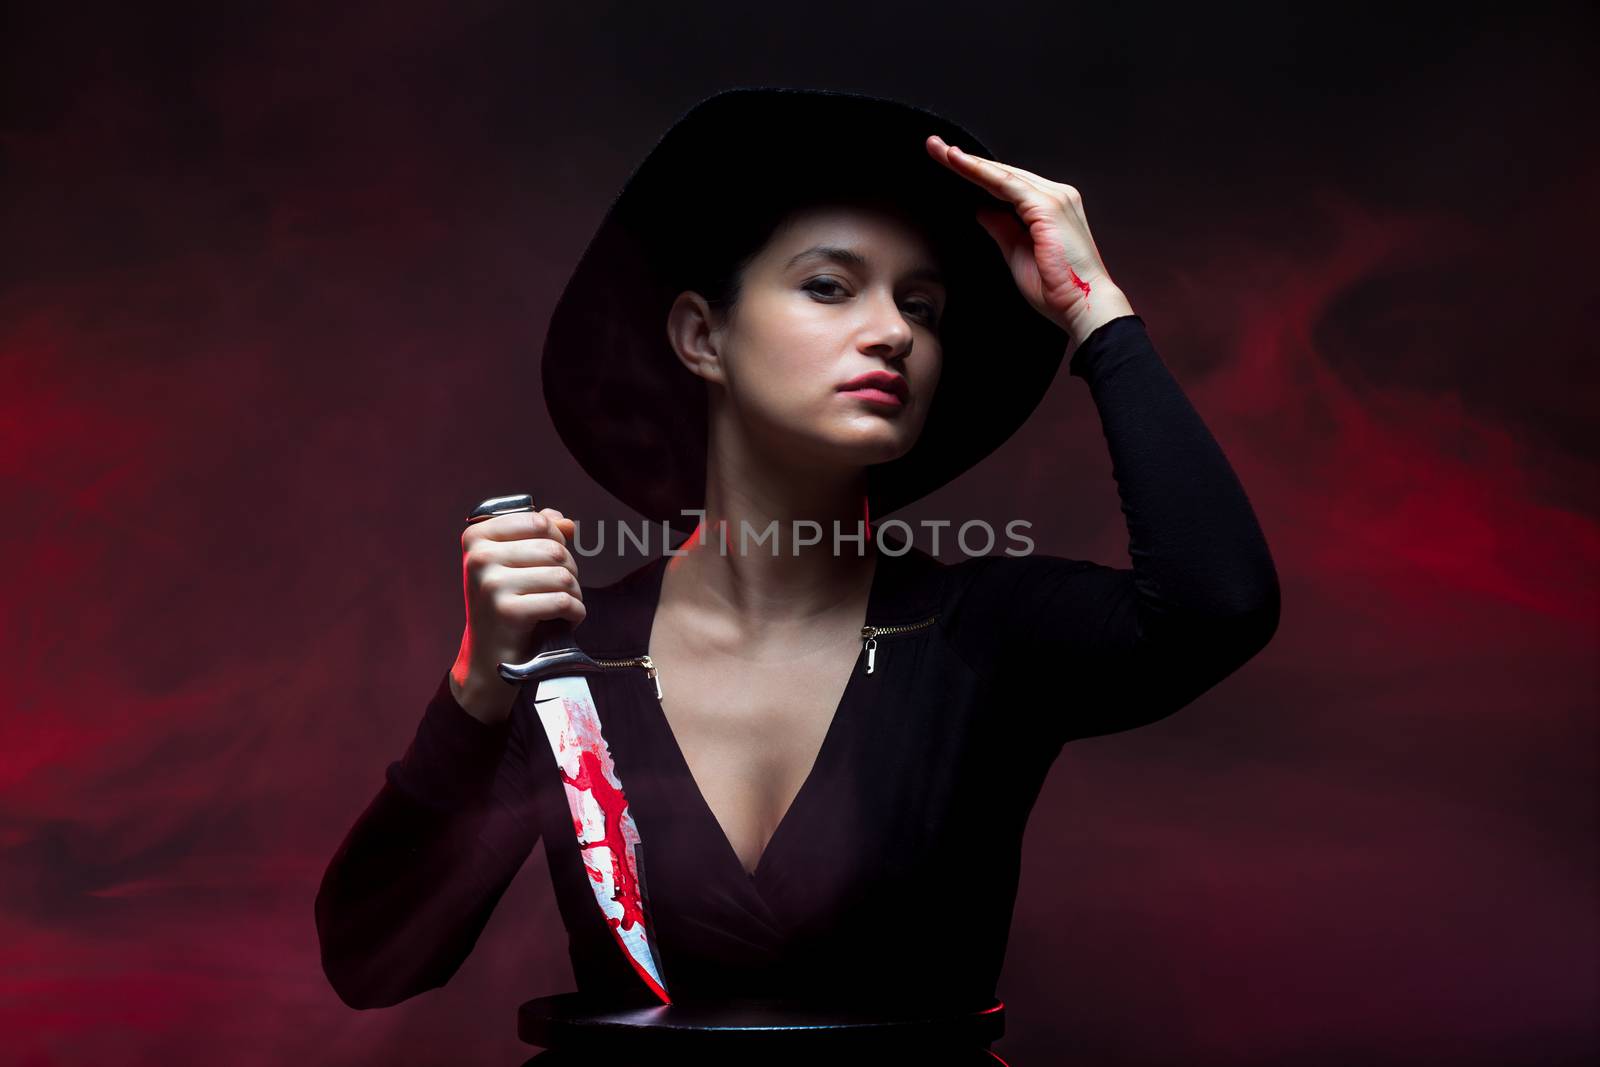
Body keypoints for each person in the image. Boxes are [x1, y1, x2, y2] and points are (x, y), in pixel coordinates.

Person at [314, 87, 1281, 1057]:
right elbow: (373, 962)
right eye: (829, 285)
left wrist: (1095, 312)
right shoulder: (567, 658)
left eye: (922, 305)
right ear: (701, 336)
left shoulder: (981, 632)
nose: (894, 331)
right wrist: (478, 690)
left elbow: (1217, 603)